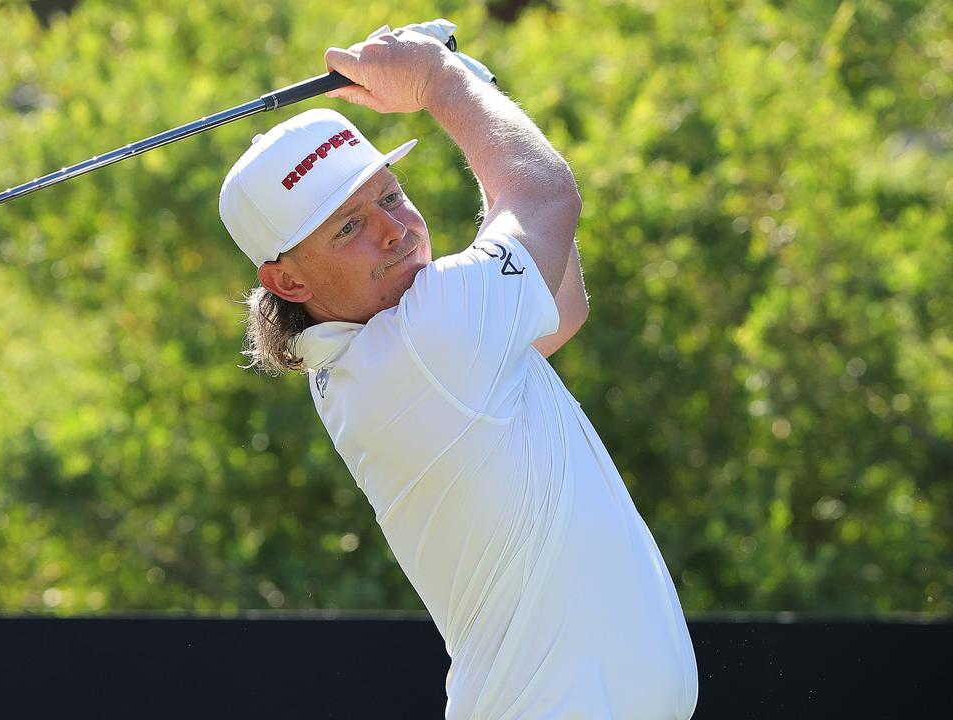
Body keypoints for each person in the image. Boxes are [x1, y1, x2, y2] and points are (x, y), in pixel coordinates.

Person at [219, 21, 698, 720]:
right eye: (347, 227)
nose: (396, 229)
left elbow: (557, 310)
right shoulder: (423, 341)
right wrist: (441, 82)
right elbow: (544, 198)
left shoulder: (394, 346)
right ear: (287, 281)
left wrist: (471, 83)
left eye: (390, 197)